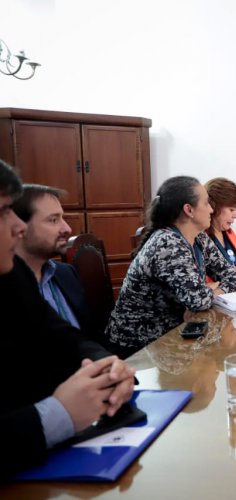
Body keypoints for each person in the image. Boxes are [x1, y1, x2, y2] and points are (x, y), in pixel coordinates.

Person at [0, 160, 135, 477]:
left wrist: (108, 368)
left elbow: (64, 337)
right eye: (4, 212)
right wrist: (59, 413)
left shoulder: (11, 275)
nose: (17, 227)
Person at [105, 176, 236, 358]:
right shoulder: (168, 243)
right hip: (139, 347)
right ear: (189, 210)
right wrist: (208, 291)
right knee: (219, 354)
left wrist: (209, 291)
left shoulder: (199, 237)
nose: (211, 209)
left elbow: (231, 275)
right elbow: (198, 301)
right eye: (207, 203)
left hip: (174, 336)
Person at [12, 184, 104, 340]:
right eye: (53, 220)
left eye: (63, 218)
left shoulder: (66, 273)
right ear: (18, 227)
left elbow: (86, 338)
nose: (67, 228)